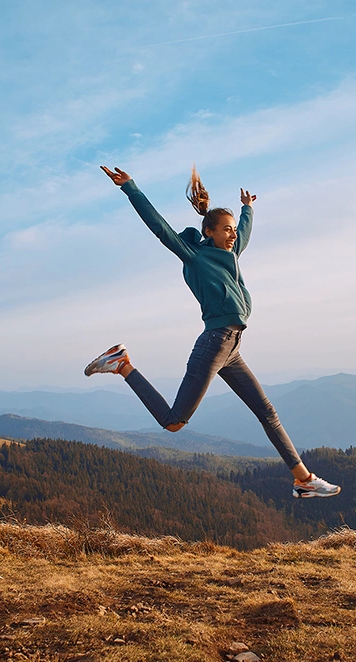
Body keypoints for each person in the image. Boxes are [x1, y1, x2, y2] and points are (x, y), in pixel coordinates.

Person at [85, 165, 340, 499]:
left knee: (268, 413)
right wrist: (130, 187)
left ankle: (303, 480)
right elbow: (159, 227)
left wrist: (247, 208)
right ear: (209, 231)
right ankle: (122, 364)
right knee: (174, 422)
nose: (232, 235)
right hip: (215, 342)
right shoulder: (195, 255)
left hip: (231, 346)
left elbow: (244, 234)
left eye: (232, 230)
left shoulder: (230, 254)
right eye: (226, 230)